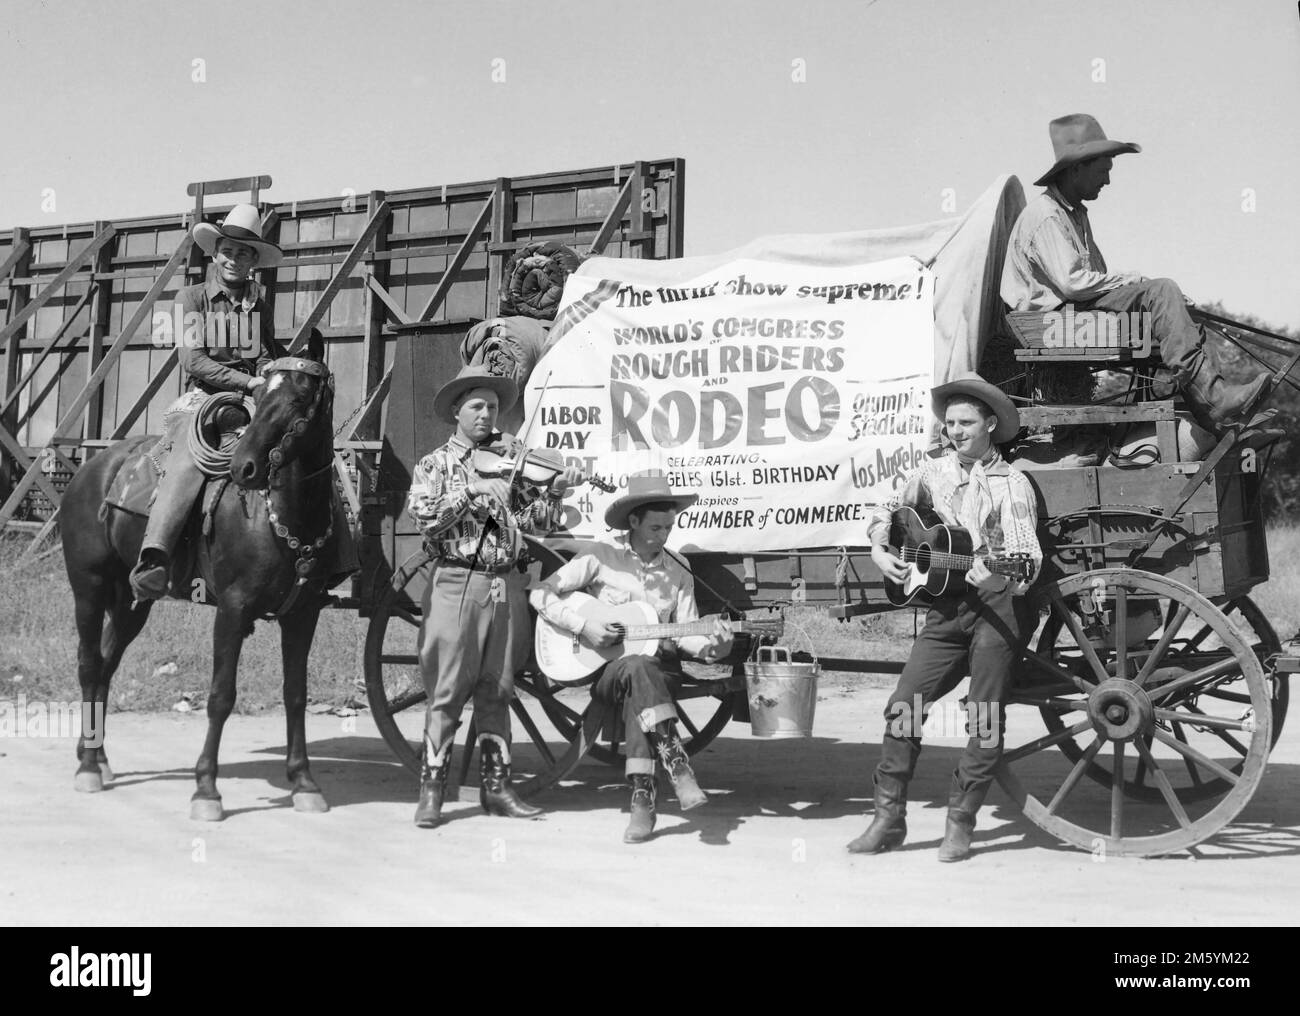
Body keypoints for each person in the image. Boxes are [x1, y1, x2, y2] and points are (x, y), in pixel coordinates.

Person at [850, 373, 1042, 862]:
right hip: (946, 609)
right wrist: (878, 546)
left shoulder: (1012, 483)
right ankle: (888, 817)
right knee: (904, 706)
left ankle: (961, 820)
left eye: (966, 423)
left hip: (998, 609)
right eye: (950, 423)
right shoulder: (931, 472)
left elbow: (1026, 556)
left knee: (983, 716)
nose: (955, 431)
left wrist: (1001, 578)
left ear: (990, 424)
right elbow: (886, 507)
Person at [1001, 114, 1272, 436]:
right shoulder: (1046, 216)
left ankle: (1215, 414)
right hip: (1051, 322)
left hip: (1070, 316)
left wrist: (1155, 297)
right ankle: (1215, 400)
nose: (1107, 181)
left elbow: (1094, 281)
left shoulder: (1073, 213)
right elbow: (1074, 284)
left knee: (1179, 311)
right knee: (1162, 290)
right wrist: (1141, 284)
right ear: (1076, 169)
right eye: (1103, 171)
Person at [406, 364, 581, 829]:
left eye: (494, 407)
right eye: (477, 406)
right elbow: (424, 517)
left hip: (504, 582)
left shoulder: (512, 460)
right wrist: (472, 491)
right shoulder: (434, 465)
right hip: (456, 582)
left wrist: (557, 492)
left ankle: (497, 788)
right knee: (445, 690)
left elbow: (538, 523)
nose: (487, 415)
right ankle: (432, 791)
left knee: (498, 688)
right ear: (457, 413)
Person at [529, 472, 734, 844]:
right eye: (655, 527)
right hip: (608, 673)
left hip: (662, 670)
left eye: (669, 527)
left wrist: (715, 647)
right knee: (635, 668)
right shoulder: (600, 557)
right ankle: (675, 764)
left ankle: (643, 800)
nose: (663, 536)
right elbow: (540, 594)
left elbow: (687, 633)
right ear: (634, 522)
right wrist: (583, 627)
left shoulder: (679, 570)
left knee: (642, 671)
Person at [129, 203, 287, 600]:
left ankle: (304, 554)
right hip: (205, 397)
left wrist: (270, 374)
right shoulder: (191, 297)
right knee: (187, 454)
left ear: (254, 261)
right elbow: (192, 359)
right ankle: (155, 556)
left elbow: (265, 351)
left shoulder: (259, 302)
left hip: (251, 396)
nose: (234, 260)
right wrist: (249, 381)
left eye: (244, 253)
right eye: (228, 251)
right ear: (215, 254)